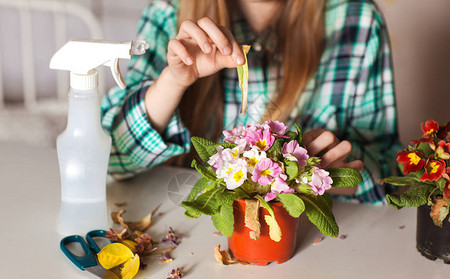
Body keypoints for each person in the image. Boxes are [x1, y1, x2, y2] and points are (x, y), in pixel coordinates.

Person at [101, 0, 402, 204]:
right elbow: (110, 158)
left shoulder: (358, 21)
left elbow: (395, 176)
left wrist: (340, 178)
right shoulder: (168, 12)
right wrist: (174, 81)